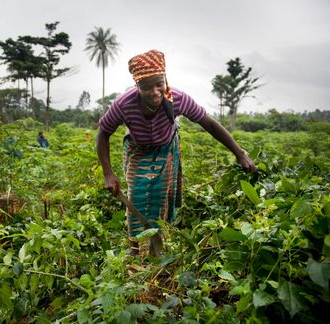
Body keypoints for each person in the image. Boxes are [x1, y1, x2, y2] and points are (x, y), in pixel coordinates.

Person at [96, 49, 256, 256]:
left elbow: (209, 123)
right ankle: (135, 251)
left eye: (159, 84)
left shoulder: (178, 99)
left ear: (165, 80)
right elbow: (103, 134)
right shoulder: (123, 104)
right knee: (136, 195)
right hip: (138, 150)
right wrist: (108, 174)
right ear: (137, 86)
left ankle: (159, 246)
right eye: (146, 87)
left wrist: (239, 153)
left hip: (166, 148)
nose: (154, 91)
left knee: (162, 197)